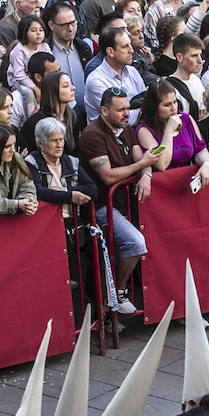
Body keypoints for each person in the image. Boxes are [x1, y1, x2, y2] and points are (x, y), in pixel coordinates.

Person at [79, 88, 159, 315]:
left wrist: (146, 175)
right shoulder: (92, 135)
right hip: (101, 207)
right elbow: (108, 175)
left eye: (127, 108)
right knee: (135, 242)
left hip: (124, 205)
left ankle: (114, 302)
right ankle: (120, 293)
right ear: (104, 111)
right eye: (120, 109)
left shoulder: (127, 130)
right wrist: (141, 166)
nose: (127, 113)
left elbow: (141, 159)